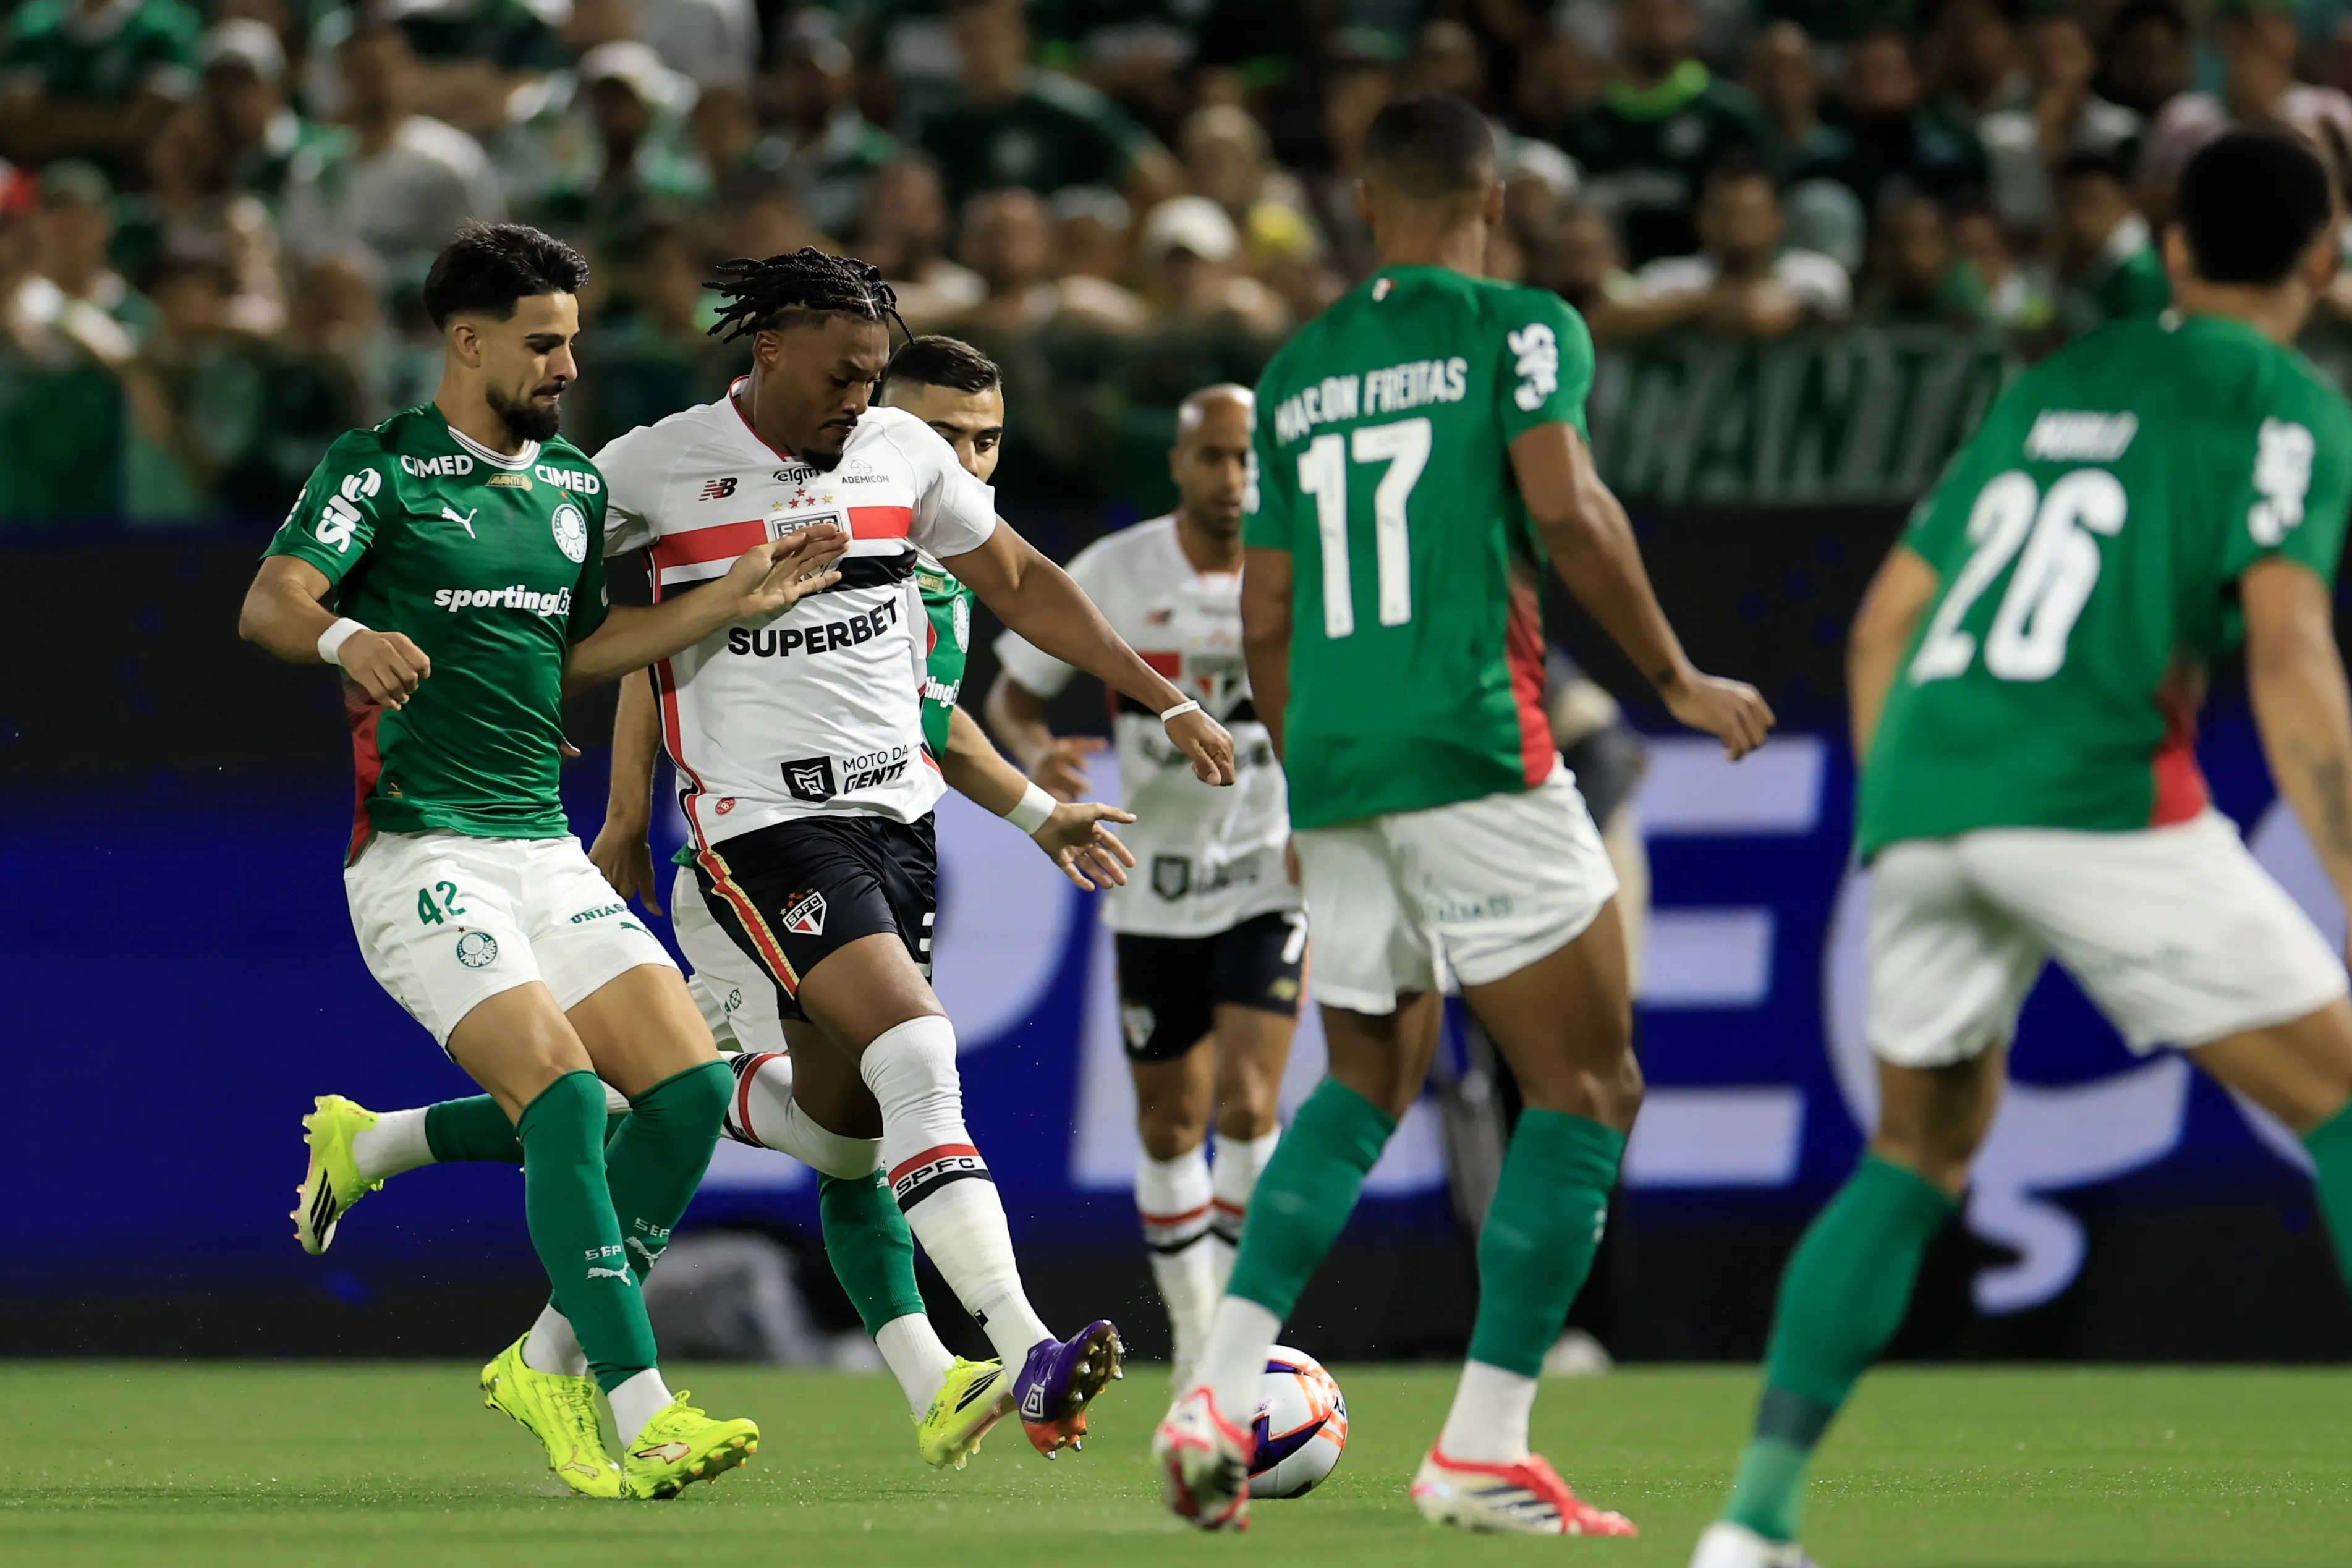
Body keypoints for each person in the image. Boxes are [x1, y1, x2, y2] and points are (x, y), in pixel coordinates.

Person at [1690, 127, 2352, 1568]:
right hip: (2091, 786)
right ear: (2324, 254)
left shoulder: (2055, 377)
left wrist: (1901, 819)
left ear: (2173, 249)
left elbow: (1880, 623)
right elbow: (2289, 645)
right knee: (2344, 1103)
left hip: (1922, 794)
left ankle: (1750, 1525)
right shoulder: (2283, 401)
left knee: (1914, 1152)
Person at [316, 334, 1142, 1473]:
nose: (964, 457)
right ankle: (1000, 1348)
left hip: (882, 841)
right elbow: (659, 654)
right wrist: (621, 813)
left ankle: (929, 1379)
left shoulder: (922, 564)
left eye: (985, 441)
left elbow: (932, 721)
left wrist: (1042, 813)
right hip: (747, 853)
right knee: (866, 1072)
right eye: (941, 433)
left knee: (840, 1142)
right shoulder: (713, 479)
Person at [1155, 90, 1773, 1536]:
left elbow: (1267, 610)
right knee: (1589, 1085)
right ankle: (1481, 1443)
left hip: (1347, 760)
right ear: (1491, 205)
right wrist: (1672, 673)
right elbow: (1562, 506)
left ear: (1364, 208)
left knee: (1364, 1080)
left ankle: (1213, 1385)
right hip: (1476, 743)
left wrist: (1308, 781)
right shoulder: (1522, 328)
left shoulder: (1297, 369)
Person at [593, 247, 1238, 1460]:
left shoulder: (901, 459)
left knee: (844, 1135)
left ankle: (639, 1070)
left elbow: (1024, 579)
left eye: (874, 375)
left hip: (900, 825)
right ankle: (1024, 1344)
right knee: (920, 1047)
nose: (859, 399)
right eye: (842, 374)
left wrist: (1159, 698)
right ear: (768, 349)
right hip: (761, 826)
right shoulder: (658, 464)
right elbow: (558, 582)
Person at [239, 221, 838, 1499]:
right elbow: (271, 600)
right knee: (566, 1103)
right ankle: (639, 1405)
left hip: (541, 845)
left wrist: (731, 601)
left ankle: (386, 1154)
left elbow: (576, 652)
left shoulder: (569, 489)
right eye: (543, 341)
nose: (569, 362)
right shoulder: (382, 469)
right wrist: (349, 635)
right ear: (467, 341)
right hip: (417, 855)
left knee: (681, 1098)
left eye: (571, 337)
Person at [987, 383, 1300, 1389]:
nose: (1233, 478)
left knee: (1251, 1103)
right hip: (1154, 883)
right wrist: (1039, 751)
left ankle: (1236, 1347)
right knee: (1171, 1125)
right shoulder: (1118, 571)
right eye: (1214, 457)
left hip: (1267, 868)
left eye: (1248, 458)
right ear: (1179, 463)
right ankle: (1197, 1337)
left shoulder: (1307, 569)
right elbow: (1010, 692)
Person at [1553, 0, 1768, 267]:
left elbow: (1752, 220)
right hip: (1604, 287)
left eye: (1670, 13)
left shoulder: (1728, 115)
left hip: (1703, 283)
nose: (1657, 27)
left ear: (1692, 20)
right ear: (1620, 19)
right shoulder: (1585, 121)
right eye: (1643, 12)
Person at [1595, 156, 1850, 344]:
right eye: (1724, 213)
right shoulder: (1671, 276)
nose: (1737, 227)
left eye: (1750, 213)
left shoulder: (1817, 273)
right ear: (1700, 219)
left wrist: (1795, 313)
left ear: (1777, 218)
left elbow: (1836, 320)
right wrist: (1700, 305)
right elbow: (1605, 323)